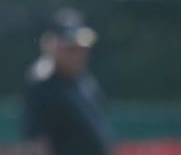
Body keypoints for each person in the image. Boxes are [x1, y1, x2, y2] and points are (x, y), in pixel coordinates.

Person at [21, 9, 113, 155]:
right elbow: (36, 143)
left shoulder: (86, 81)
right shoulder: (43, 84)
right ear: (52, 46)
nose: (78, 54)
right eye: (70, 48)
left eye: (81, 48)